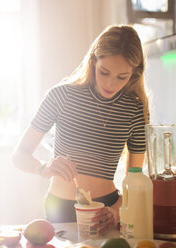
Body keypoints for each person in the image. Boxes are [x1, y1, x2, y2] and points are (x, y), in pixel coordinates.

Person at [12, 25, 149, 233]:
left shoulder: (135, 109)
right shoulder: (61, 96)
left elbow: (135, 180)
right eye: (104, 72)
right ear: (93, 61)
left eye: (122, 76)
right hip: (59, 207)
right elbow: (19, 156)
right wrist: (44, 168)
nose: (111, 83)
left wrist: (116, 211)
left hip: (107, 208)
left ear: (134, 73)